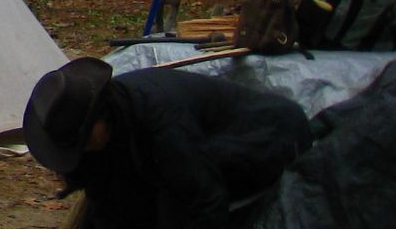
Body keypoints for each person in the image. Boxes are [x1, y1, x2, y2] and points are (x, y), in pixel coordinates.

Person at [23, 57, 310, 229]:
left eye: (83, 140)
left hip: (269, 136)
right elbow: (106, 204)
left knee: (174, 199)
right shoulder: (112, 129)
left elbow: (205, 202)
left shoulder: (163, 124)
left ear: (101, 117)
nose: (82, 149)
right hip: (196, 145)